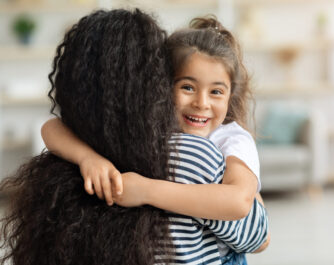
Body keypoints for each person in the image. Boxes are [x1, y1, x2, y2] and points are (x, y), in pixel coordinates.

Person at [1, 9, 267, 265]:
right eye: (187, 87)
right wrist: (89, 159)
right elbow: (260, 236)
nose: (201, 102)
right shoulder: (164, 142)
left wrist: (145, 189)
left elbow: (243, 206)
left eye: (216, 92)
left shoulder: (230, 138)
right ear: (161, 84)